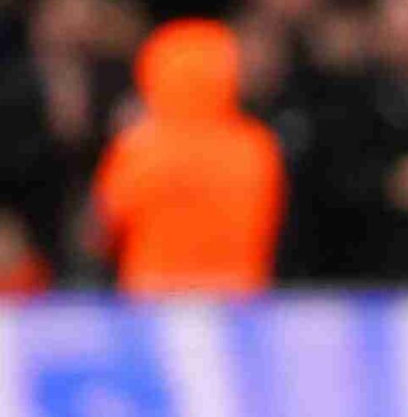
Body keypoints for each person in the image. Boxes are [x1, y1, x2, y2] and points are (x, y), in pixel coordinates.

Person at [91, 19, 285, 295]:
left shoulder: (140, 146)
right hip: (239, 303)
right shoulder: (256, 146)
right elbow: (272, 226)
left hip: (152, 303)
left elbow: (102, 230)